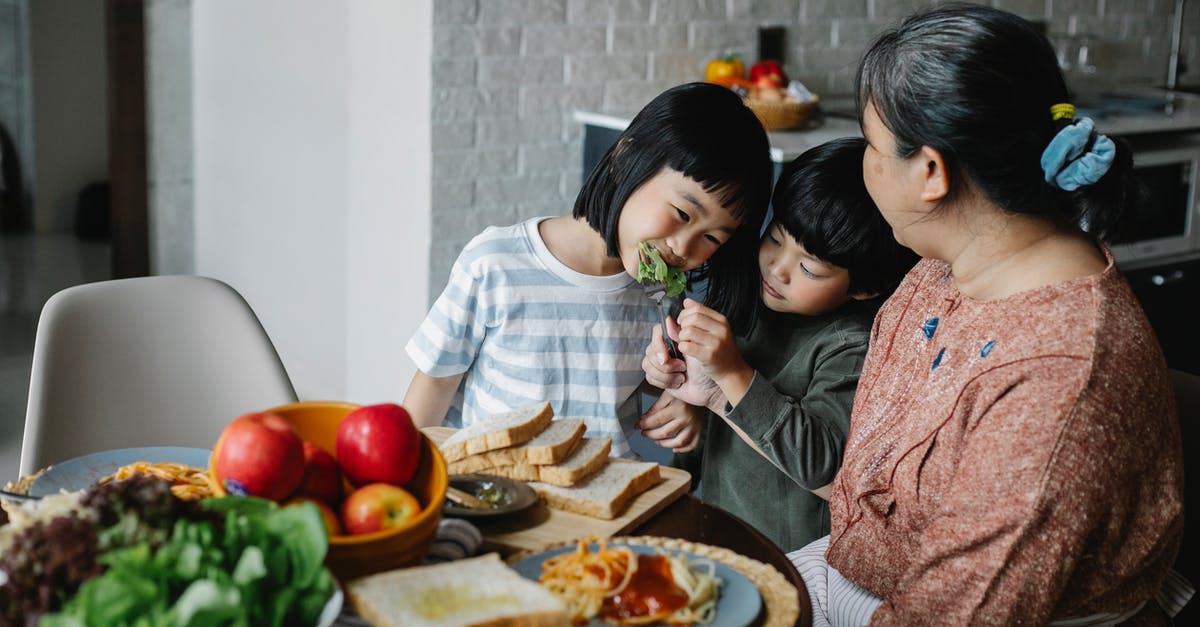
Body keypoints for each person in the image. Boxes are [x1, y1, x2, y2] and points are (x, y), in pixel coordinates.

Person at [786, 4, 1188, 625]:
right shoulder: (947, 264)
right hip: (857, 573)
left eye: (870, 145)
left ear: (929, 172)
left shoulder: (1056, 378)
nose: (865, 163)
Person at [403, 82, 773, 459]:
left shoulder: (661, 295)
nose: (683, 248)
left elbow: (629, 375)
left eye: (711, 237)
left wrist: (683, 400)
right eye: (681, 214)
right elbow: (436, 383)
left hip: (611, 497)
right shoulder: (495, 263)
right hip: (502, 495)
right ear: (625, 159)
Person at [639, 137, 918, 553]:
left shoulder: (850, 347)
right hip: (716, 531)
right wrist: (683, 391)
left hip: (793, 559)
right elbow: (718, 427)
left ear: (864, 288)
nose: (778, 268)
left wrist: (729, 378)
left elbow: (821, 464)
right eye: (775, 238)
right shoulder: (747, 301)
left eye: (808, 267)